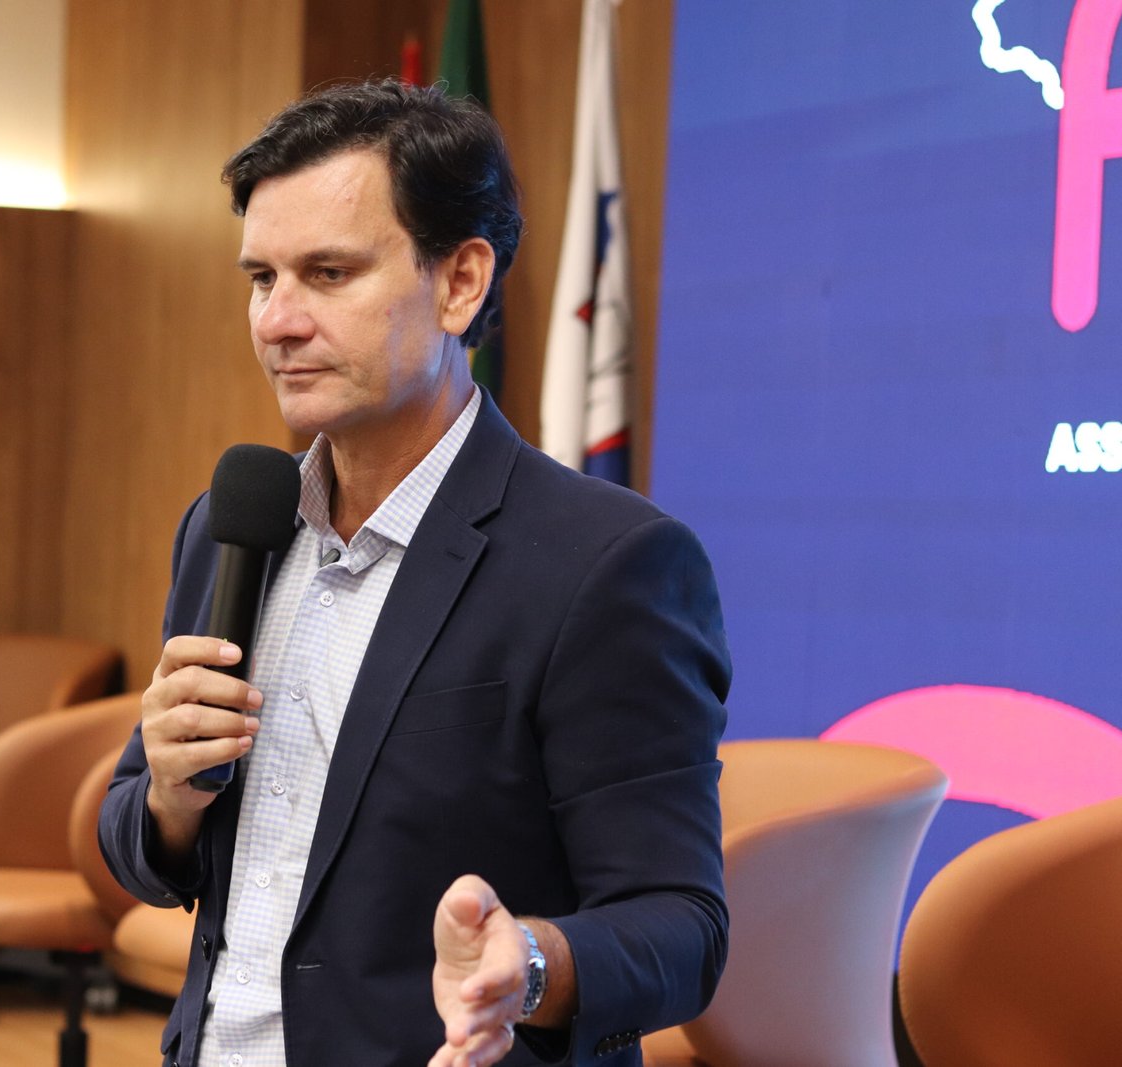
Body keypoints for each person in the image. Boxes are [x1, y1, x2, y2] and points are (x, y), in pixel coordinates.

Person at [99, 81, 730, 1067]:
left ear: (460, 282)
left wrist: (525, 964)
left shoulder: (607, 564)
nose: (277, 321)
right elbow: (135, 838)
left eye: (329, 272)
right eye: (261, 278)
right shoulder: (229, 526)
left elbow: (681, 928)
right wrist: (168, 803)